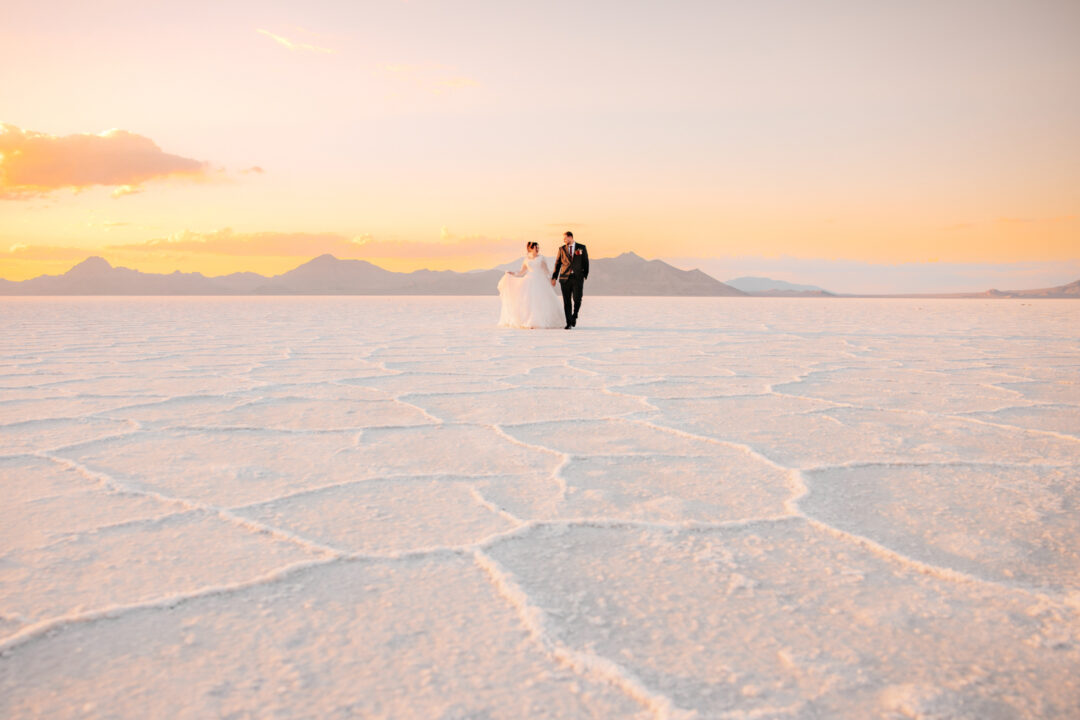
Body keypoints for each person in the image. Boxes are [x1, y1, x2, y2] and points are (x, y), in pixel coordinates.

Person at [497, 241, 564, 329]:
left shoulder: (541, 258)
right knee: (528, 302)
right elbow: (522, 272)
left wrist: (551, 279)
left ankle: (540, 321)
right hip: (529, 280)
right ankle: (529, 321)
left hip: (540, 281)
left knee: (540, 301)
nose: (538, 249)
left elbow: (546, 270)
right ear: (530, 248)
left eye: (538, 248)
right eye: (536, 247)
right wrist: (512, 273)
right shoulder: (526, 259)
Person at [550, 231, 588, 329]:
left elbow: (585, 261)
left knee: (577, 299)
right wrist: (554, 277)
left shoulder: (581, 247)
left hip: (577, 278)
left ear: (570, 237)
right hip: (564, 278)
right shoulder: (561, 249)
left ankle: (574, 315)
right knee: (567, 301)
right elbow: (557, 264)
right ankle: (568, 323)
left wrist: (584, 274)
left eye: (565, 238)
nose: (564, 240)